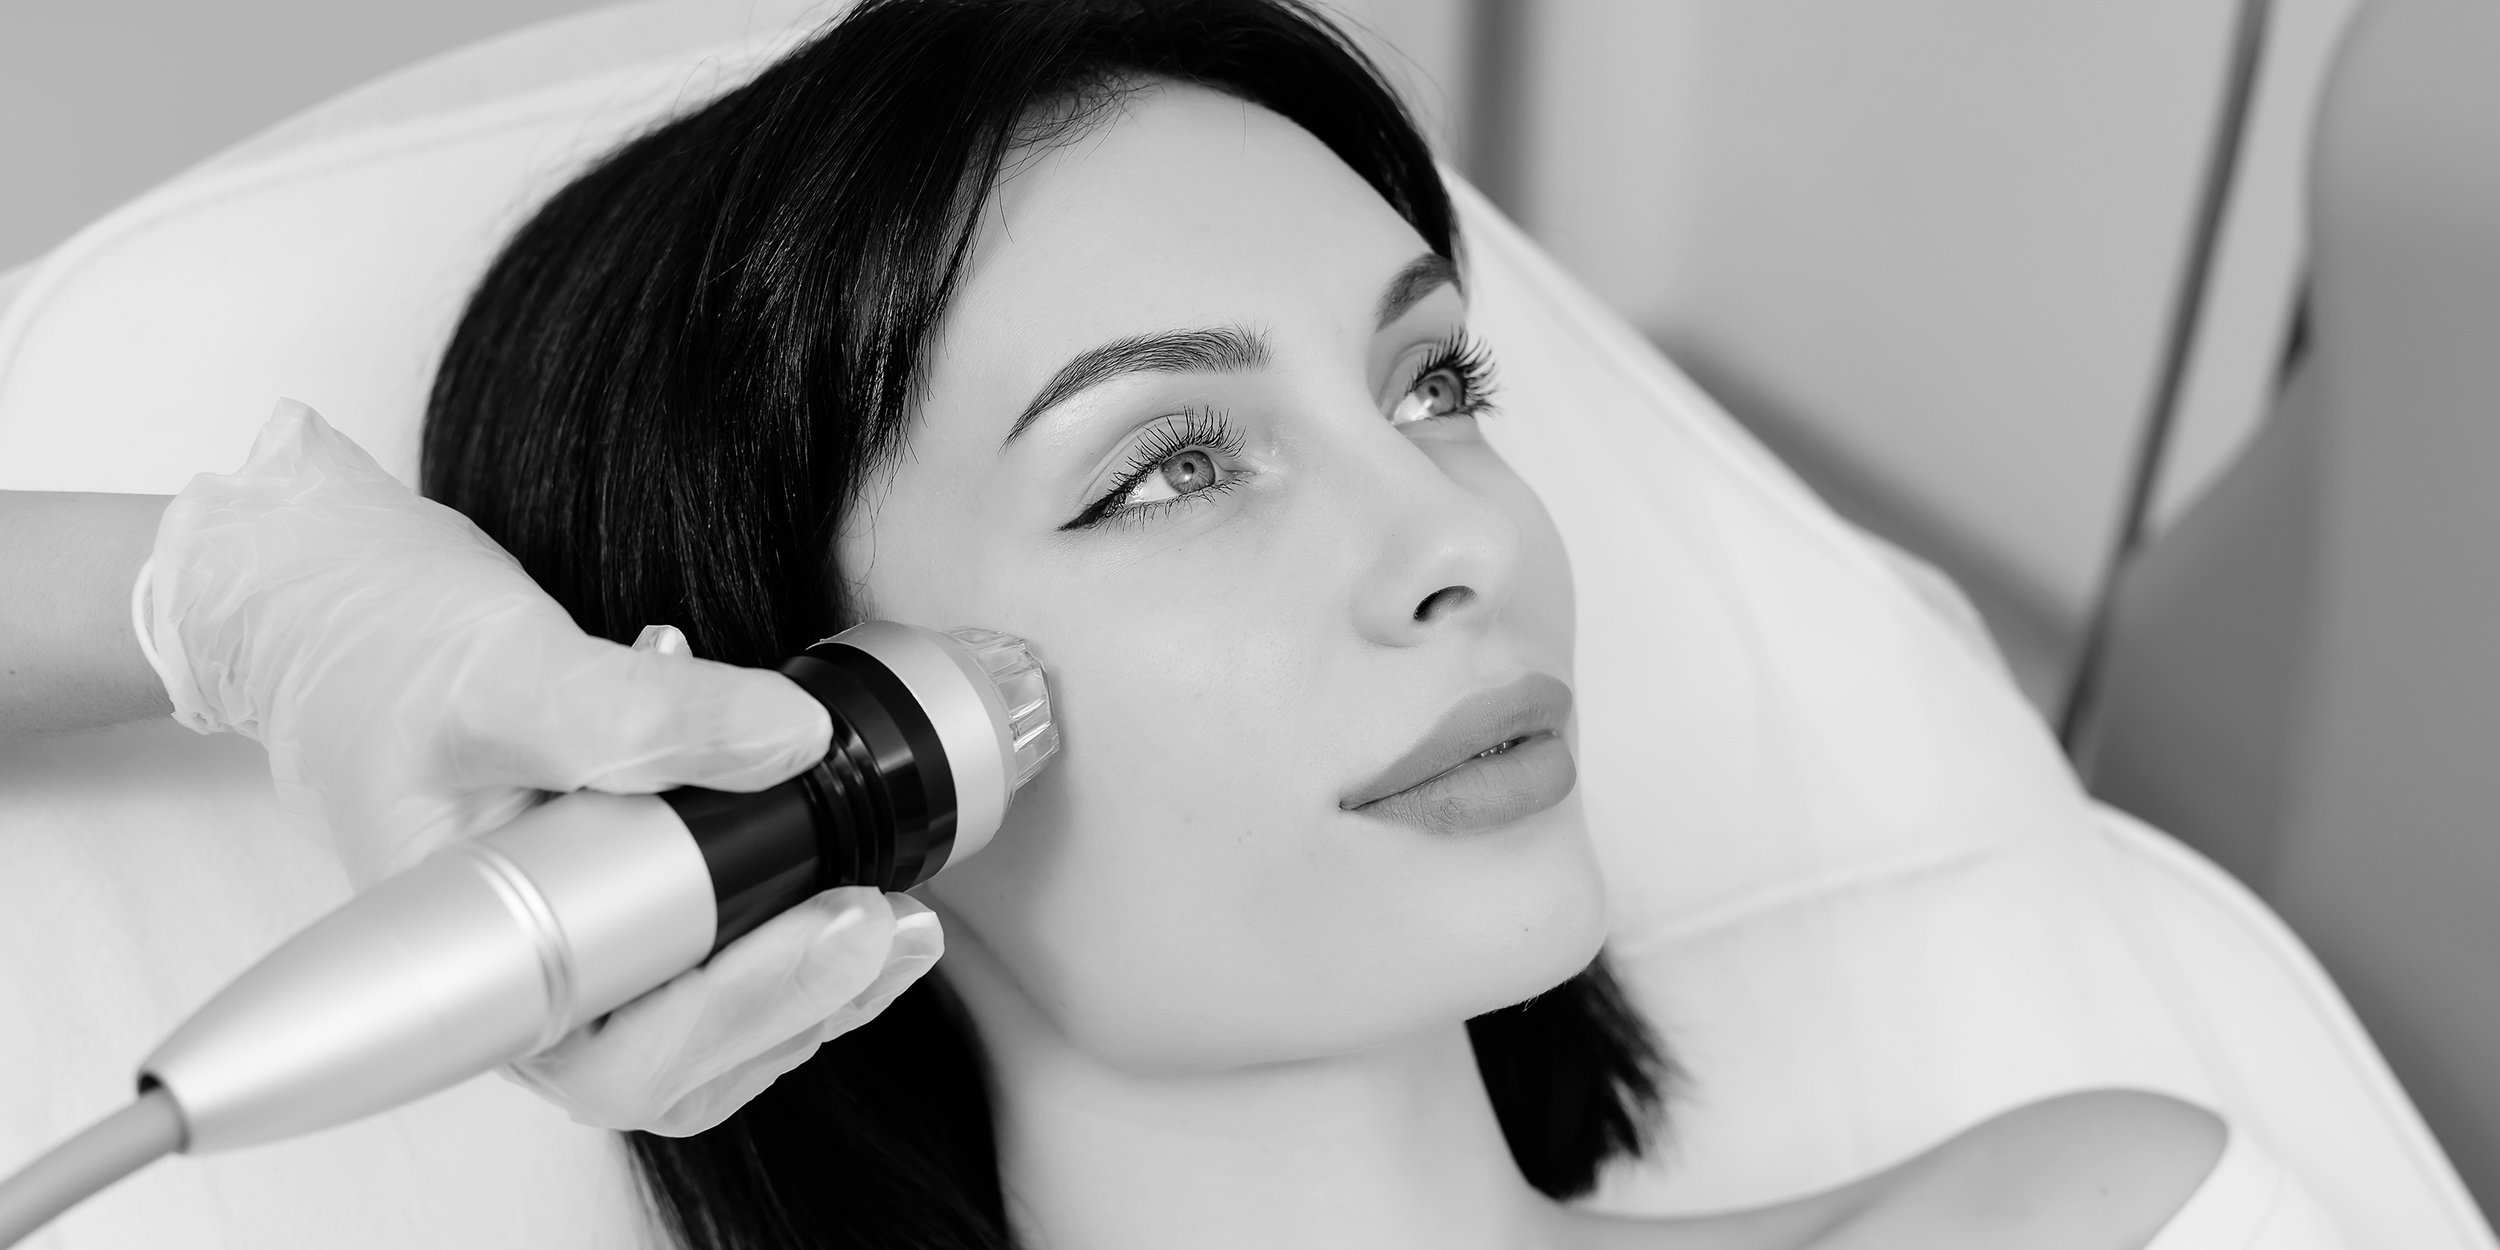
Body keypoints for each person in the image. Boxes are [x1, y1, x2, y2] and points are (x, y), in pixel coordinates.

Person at [1, 0, 2234, 1246]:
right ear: (811, 743)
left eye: (1435, 382)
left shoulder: (2103, 1215)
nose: (1460, 542)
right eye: (1170, 462)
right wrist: (218, 598)